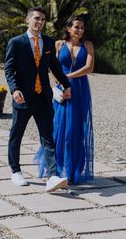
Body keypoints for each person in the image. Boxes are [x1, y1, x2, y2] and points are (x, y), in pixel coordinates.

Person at [4, 6, 72, 192]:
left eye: (42, 19)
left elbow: (56, 68)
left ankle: (52, 176)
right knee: (16, 134)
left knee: (47, 136)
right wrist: (14, 89)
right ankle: (15, 171)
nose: (39, 22)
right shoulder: (16, 43)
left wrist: (67, 85)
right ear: (27, 19)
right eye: (36, 18)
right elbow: (9, 69)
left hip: (43, 98)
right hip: (23, 97)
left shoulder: (49, 43)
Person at [36, 16, 95, 184]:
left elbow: (89, 67)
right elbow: (49, 65)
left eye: (82, 27)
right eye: (77, 27)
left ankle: (73, 170)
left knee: (76, 129)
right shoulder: (58, 45)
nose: (80, 30)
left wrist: (67, 76)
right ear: (68, 28)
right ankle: (56, 168)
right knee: (59, 127)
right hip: (61, 89)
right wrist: (60, 80)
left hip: (80, 90)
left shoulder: (88, 45)